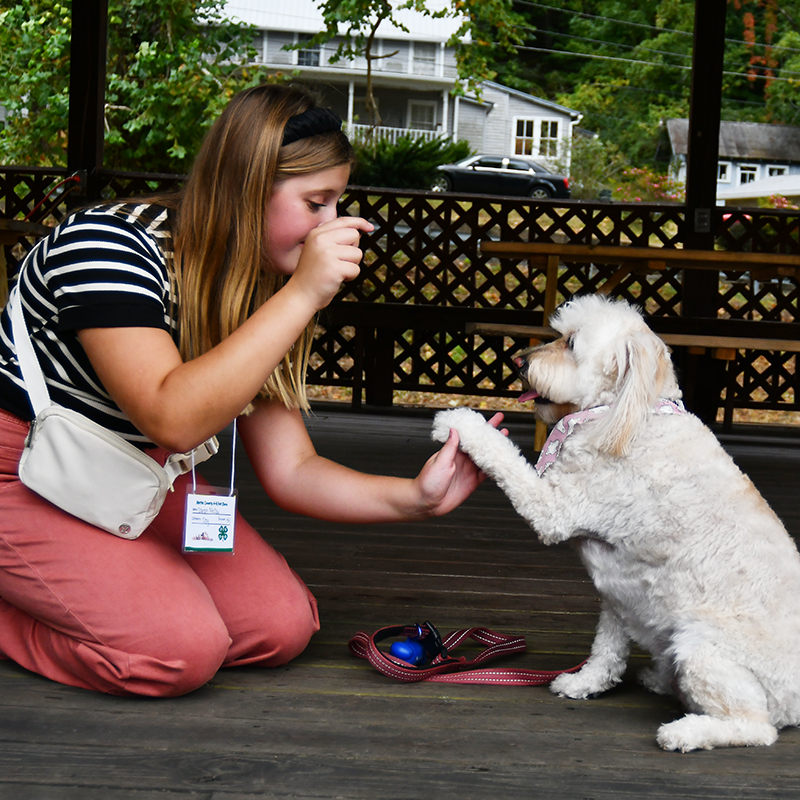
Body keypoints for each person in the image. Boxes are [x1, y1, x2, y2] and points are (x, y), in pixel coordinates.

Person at [0, 84, 501, 697]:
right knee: (176, 653)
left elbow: (290, 468)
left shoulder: (257, 288)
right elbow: (172, 417)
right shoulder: (105, 246)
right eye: (317, 202)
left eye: (338, 202)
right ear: (246, 188)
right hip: (21, 472)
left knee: (279, 628)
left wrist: (414, 497)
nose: (334, 225)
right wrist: (302, 295)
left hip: (138, 477)